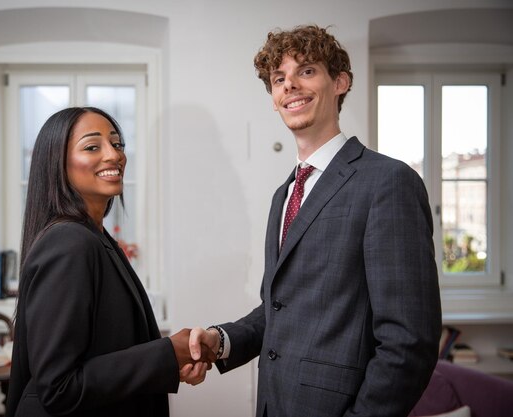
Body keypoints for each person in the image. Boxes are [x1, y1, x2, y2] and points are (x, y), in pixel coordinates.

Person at [188, 24, 442, 417]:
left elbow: (409, 341)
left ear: (340, 82)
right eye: (278, 79)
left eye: (305, 71)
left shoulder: (388, 182)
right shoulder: (284, 195)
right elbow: (280, 309)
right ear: (274, 99)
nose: (289, 85)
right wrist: (219, 341)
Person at [5, 107, 212, 417]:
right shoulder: (69, 244)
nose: (114, 155)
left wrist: (169, 362)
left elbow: (105, 353)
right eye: (92, 146)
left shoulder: (97, 239)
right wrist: (166, 354)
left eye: (117, 144)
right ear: (57, 164)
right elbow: (58, 387)